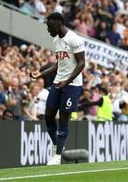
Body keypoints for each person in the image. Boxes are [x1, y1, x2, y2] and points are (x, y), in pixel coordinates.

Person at [30, 12, 85, 165]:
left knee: (63, 118)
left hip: (72, 85)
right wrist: (40, 74)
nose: (48, 30)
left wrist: (67, 81)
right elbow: (58, 64)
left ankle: (57, 155)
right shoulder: (56, 40)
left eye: (49, 26)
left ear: (58, 23)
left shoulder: (74, 39)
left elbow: (81, 63)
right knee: (48, 116)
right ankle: (57, 145)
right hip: (58, 82)